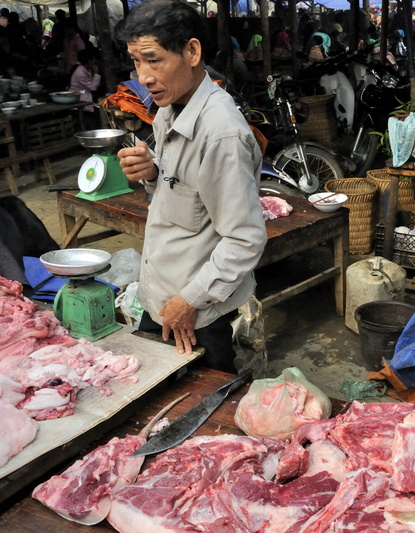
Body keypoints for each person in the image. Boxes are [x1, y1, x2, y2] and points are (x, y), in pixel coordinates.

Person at [115, 0, 267, 374]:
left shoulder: (221, 134)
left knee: (203, 413)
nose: (144, 76)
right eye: (136, 61)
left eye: (153, 59)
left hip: (200, 312)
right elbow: (181, 192)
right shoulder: (169, 108)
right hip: (165, 294)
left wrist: (190, 301)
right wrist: (152, 172)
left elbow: (245, 238)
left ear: (192, 52)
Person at [68, 48, 102, 129]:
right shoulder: (80, 73)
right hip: (80, 99)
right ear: (89, 61)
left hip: (84, 97)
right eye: (93, 60)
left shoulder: (86, 70)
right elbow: (93, 87)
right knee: (87, 124)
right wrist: (97, 74)